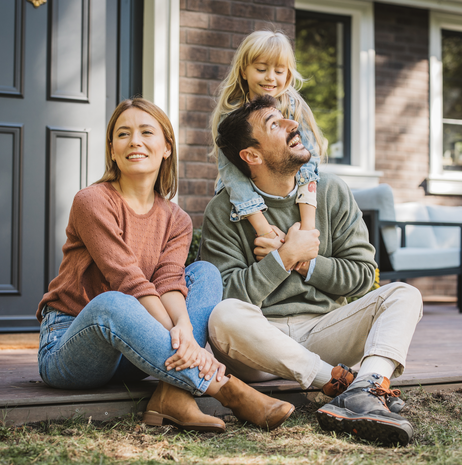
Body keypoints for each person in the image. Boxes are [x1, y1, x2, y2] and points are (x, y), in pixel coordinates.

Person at [37, 98, 295, 434]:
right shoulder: (92, 201)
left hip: (136, 351)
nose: (135, 142)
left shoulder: (176, 219)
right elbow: (127, 279)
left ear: (166, 148)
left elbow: (168, 281)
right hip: (72, 348)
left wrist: (185, 329)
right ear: (112, 150)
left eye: (146, 132)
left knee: (205, 273)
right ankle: (229, 390)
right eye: (123, 134)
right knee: (115, 303)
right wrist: (186, 341)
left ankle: (172, 395)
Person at [201, 95, 423, 446]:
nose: (293, 125)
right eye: (274, 124)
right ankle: (336, 383)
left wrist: (307, 262)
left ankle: (367, 386)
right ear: (252, 156)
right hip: (259, 342)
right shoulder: (223, 210)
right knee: (223, 315)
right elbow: (224, 293)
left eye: (286, 118)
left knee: (404, 294)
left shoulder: (332, 192)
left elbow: (364, 273)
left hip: (325, 330)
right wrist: (283, 259)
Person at [210, 30, 325, 250]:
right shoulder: (231, 116)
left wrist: (307, 228)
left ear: (288, 75)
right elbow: (233, 177)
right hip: (243, 200)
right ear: (244, 71)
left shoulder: (295, 109)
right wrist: (265, 231)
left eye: (279, 71)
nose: (270, 77)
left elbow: (309, 162)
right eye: (261, 69)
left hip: (292, 199)